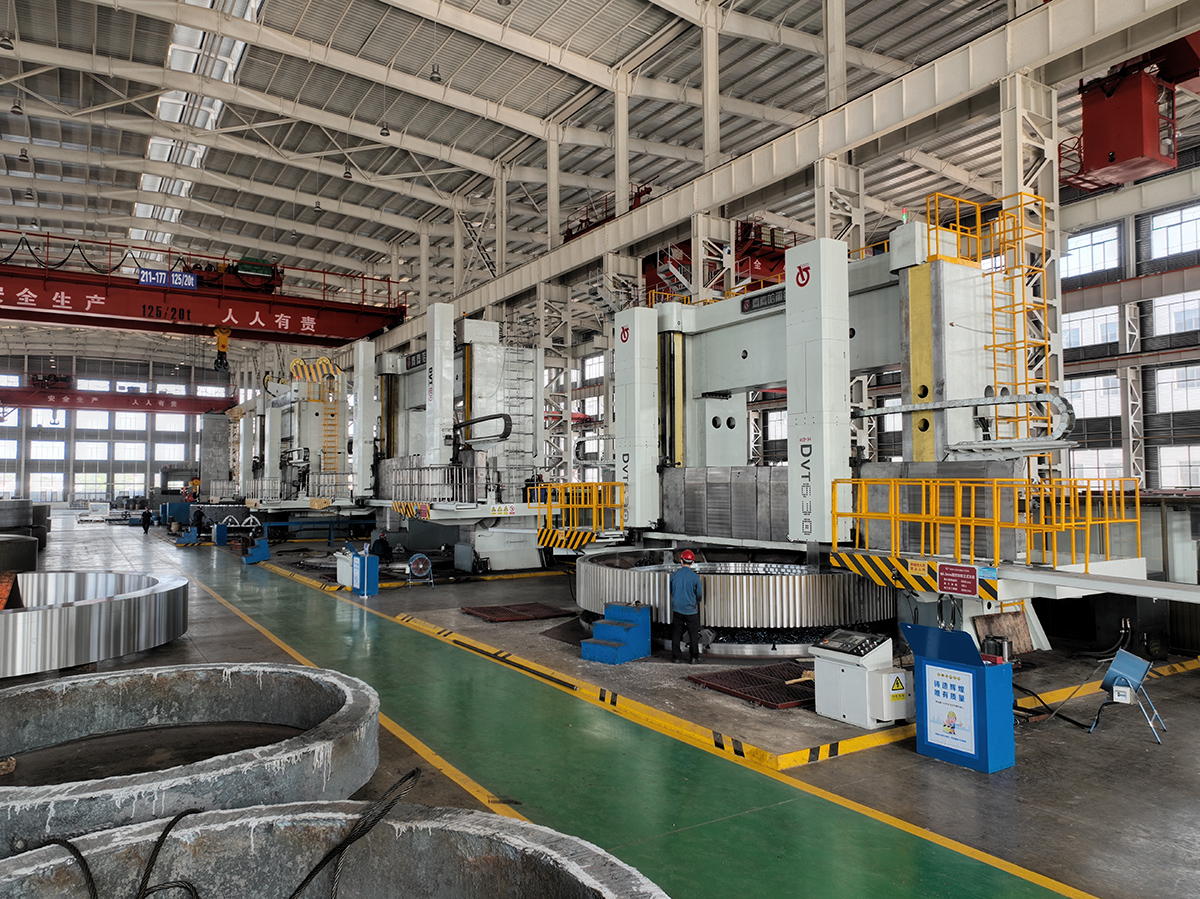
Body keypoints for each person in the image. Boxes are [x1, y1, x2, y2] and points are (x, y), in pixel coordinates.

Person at [669, 549, 704, 664]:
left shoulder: (674, 576)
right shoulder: (695, 577)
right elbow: (699, 594)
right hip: (691, 610)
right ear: (692, 562)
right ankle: (694, 657)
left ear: (681, 561)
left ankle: (676, 657)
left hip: (677, 609)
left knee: (676, 633)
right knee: (693, 634)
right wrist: (696, 602)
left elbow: (672, 591)